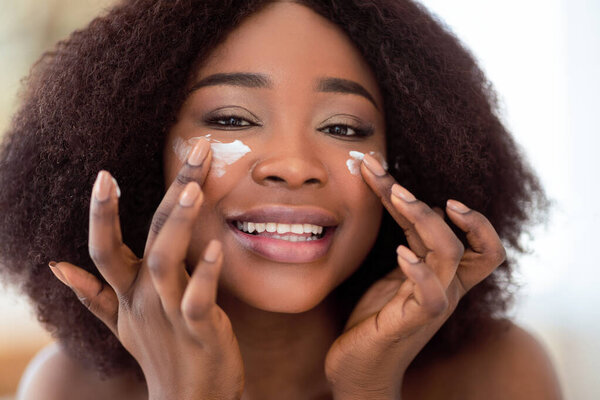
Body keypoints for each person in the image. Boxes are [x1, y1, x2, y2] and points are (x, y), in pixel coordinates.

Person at [0, 0, 562, 399]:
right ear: (141, 153)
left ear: (410, 166)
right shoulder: (68, 389)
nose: (294, 167)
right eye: (231, 119)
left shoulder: (499, 376)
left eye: (344, 128)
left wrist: (368, 390)